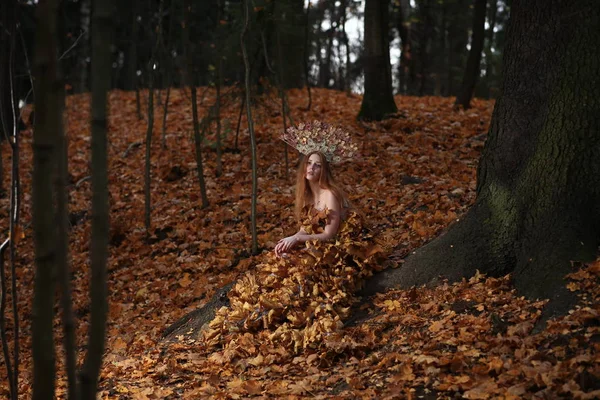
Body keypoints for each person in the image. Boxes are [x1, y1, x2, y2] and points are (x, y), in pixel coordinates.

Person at [203, 121, 387, 355]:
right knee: (277, 266)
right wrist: (291, 238)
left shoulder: (330, 195)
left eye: (317, 165)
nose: (311, 168)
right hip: (318, 246)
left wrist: (299, 240)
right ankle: (251, 316)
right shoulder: (309, 197)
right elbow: (305, 229)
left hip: (337, 251)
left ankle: (289, 319)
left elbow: (329, 235)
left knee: (302, 275)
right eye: (308, 163)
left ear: (325, 170)